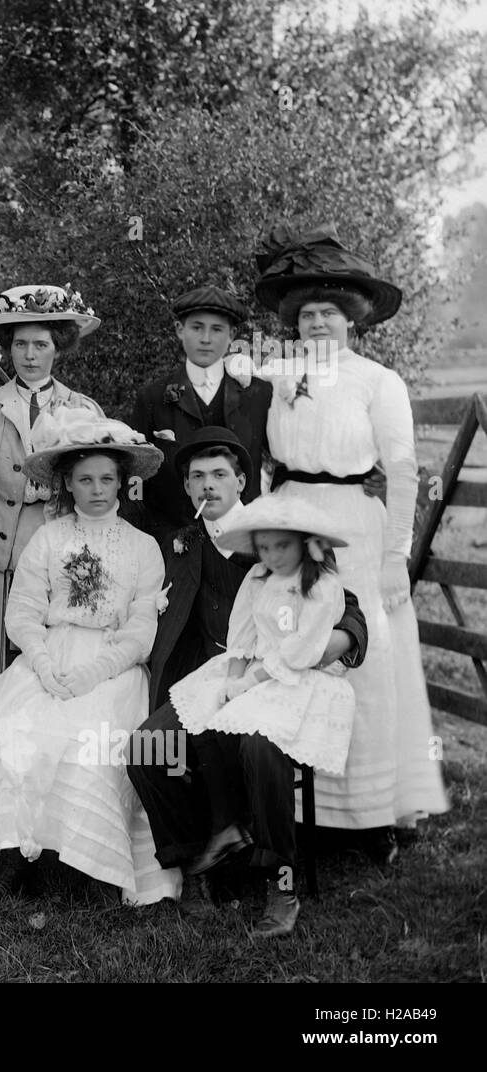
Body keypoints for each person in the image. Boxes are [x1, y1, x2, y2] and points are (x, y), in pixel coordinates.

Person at [252, 223, 448, 856]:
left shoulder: (377, 382)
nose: (317, 324)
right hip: (293, 521)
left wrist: (395, 558)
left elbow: (402, 472)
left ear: (352, 321)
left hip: (355, 532)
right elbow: (262, 458)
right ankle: (304, 809)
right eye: (307, 314)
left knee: (367, 656)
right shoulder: (279, 377)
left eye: (329, 314)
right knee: (293, 646)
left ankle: (376, 811)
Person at [0, 410, 179, 904]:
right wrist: (43, 662)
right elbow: (23, 610)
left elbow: (140, 629)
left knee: (88, 740)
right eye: (84, 479)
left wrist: (94, 671)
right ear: (67, 482)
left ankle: (91, 856)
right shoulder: (49, 538)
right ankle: (14, 852)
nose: (96, 489)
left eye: (106, 479)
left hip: (112, 664)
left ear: (122, 483)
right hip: (49, 654)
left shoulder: (143, 547)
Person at [126, 428, 368, 916]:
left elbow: (347, 610)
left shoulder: (279, 532)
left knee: (258, 745)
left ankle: (282, 881)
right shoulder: (179, 544)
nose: (207, 486)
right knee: (147, 748)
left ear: (242, 481)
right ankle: (200, 862)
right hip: (215, 674)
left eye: (219, 474)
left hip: (286, 676)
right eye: (196, 477)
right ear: (187, 489)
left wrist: (328, 646)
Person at [168, 497, 357, 936]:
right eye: (265, 547)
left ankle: (282, 884)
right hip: (256, 673)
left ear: (307, 545)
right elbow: (242, 634)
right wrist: (232, 681)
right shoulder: (257, 576)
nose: (271, 557)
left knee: (258, 742)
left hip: (300, 681)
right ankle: (230, 823)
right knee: (207, 717)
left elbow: (301, 652)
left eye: (281, 548)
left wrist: (251, 681)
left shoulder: (322, 585)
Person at [0, 283, 104, 703]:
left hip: (58, 555)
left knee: (51, 663)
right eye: (20, 343)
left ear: (57, 348)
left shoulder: (82, 410)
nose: (29, 354)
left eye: (40, 344)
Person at [131, 287, 272, 542]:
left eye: (217, 329)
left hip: (243, 543)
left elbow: (282, 457)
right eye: (196, 328)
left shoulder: (258, 394)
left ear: (232, 335)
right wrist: (140, 529)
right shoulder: (152, 397)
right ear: (179, 329)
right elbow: (135, 477)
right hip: (172, 541)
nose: (206, 338)